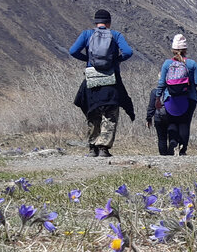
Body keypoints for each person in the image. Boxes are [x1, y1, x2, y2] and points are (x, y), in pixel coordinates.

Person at [69, 9, 134, 156]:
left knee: (93, 111)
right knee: (110, 113)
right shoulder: (115, 35)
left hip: (92, 78)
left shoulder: (87, 34)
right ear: (109, 22)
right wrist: (116, 60)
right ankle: (104, 148)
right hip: (111, 79)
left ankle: (92, 147)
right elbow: (128, 52)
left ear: (96, 22)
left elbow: (73, 51)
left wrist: (87, 60)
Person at [73, 65, 135, 157]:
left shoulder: (90, 74)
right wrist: (130, 111)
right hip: (111, 99)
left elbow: (80, 97)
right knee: (109, 122)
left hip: (93, 101)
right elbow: (123, 94)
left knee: (94, 122)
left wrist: (86, 110)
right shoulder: (113, 73)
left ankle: (92, 148)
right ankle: (103, 148)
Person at [156, 34, 197, 156]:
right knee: (185, 123)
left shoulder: (167, 64)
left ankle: (173, 143)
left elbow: (162, 83)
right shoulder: (192, 64)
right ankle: (182, 150)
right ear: (185, 49)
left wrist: (157, 97)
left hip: (170, 98)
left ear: (173, 49)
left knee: (172, 122)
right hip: (189, 98)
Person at [146, 86, 179, 156]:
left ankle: (163, 156)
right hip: (173, 116)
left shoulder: (155, 92)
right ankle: (172, 153)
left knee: (161, 138)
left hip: (159, 116)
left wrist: (149, 118)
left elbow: (151, 106)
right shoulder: (175, 90)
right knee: (173, 136)